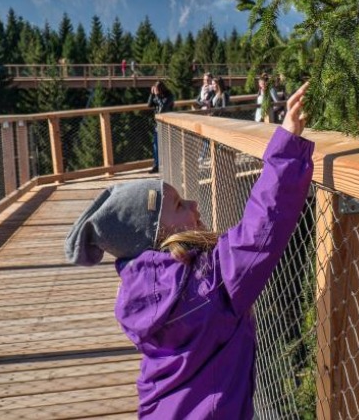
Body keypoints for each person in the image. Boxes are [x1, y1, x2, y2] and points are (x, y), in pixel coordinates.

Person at [65, 83, 312, 419]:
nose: (194, 204)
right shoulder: (208, 282)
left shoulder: (138, 290)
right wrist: (288, 144)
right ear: (161, 234)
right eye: (180, 205)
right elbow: (261, 228)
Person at [147, 81, 175, 173]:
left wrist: (157, 96)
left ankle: (169, 166)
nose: (156, 91)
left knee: (167, 147)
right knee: (155, 146)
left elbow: (163, 109)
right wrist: (152, 94)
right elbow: (149, 105)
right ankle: (156, 166)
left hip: (167, 125)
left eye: (157, 90)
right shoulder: (156, 96)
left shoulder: (169, 96)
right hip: (157, 125)